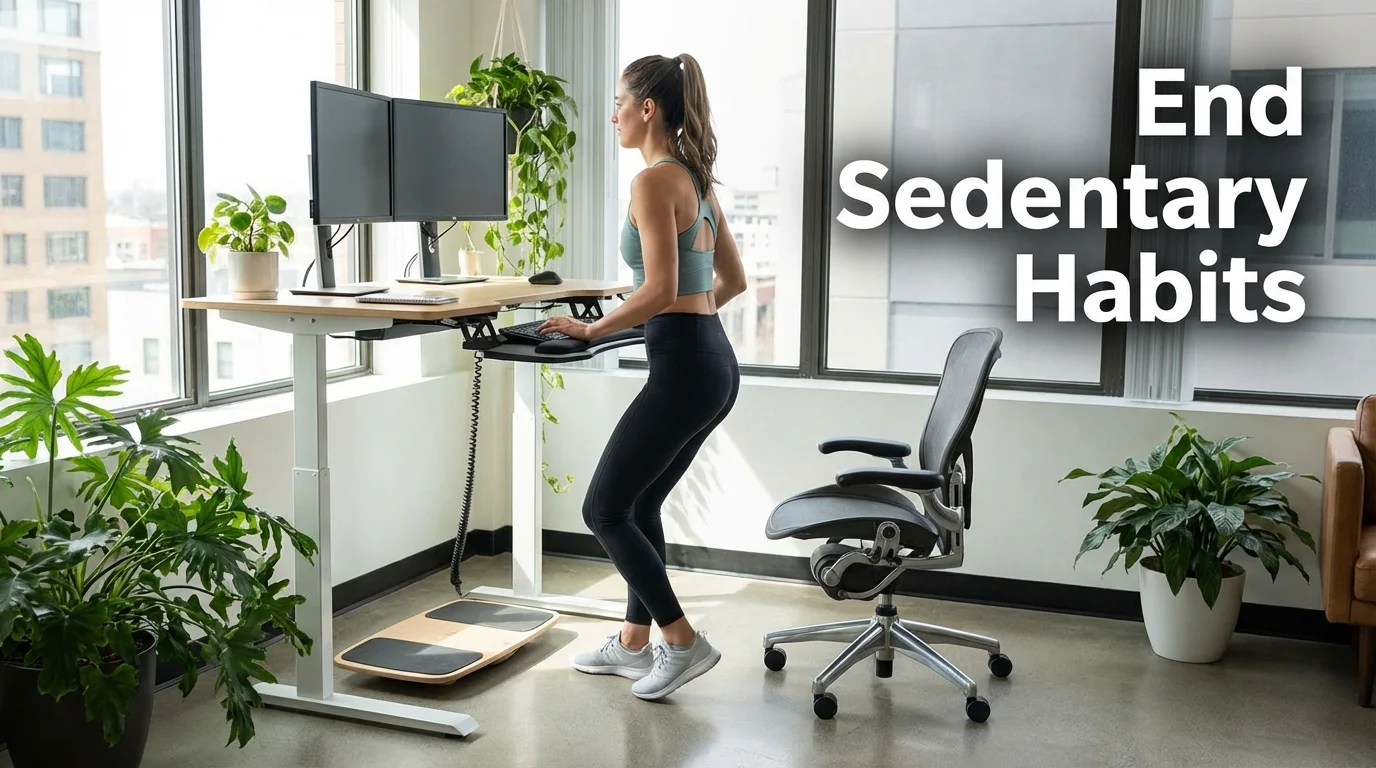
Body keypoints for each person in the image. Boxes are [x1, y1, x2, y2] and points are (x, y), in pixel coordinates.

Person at [537, 52, 747, 701]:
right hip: (711, 360)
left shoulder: (653, 181)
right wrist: (674, 322)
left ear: (646, 108)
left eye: (619, 103)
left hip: (684, 366)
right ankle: (633, 643)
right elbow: (730, 282)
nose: (613, 116)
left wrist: (595, 328)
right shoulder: (697, 176)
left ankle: (682, 642)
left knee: (602, 508)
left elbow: (656, 287)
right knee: (641, 503)